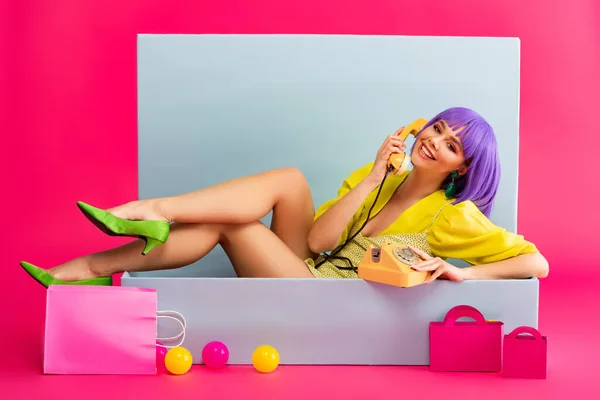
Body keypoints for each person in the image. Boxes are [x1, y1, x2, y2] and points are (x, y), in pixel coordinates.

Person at [20, 107, 549, 287]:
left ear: (464, 167)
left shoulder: (453, 216)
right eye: (435, 129)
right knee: (291, 180)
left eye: (452, 144)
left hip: (332, 300)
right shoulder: (380, 178)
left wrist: (462, 272)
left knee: (233, 224)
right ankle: (134, 228)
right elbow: (318, 240)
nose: (434, 142)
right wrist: (370, 178)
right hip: (309, 269)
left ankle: (119, 239)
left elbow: (538, 263)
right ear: (418, 128)